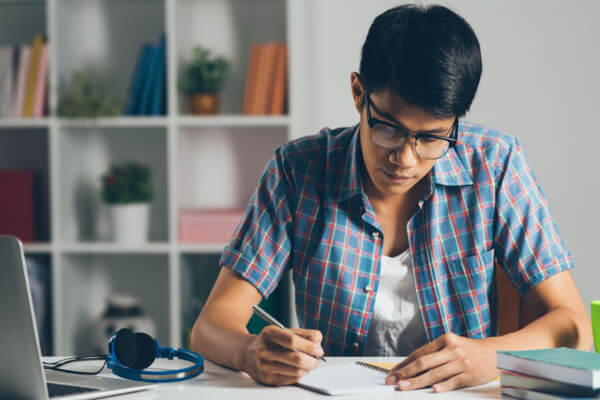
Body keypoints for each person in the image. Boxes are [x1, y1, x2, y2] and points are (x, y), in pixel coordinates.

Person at [191, 3, 592, 392]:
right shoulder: (298, 170)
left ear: (455, 122)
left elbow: (573, 326)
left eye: (432, 138)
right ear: (358, 93)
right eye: (389, 129)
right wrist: (248, 351)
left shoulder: (496, 164)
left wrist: (489, 355)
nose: (405, 158)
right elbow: (211, 325)